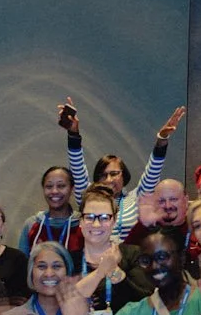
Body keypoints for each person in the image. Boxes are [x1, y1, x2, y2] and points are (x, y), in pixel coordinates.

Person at [61, 98, 183, 235]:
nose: (108, 180)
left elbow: (153, 171)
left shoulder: (137, 198)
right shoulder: (89, 197)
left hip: (130, 249)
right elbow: (77, 167)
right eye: (103, 175)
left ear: (124, 175)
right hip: (95, 248)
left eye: (114, 174)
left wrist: (162, 139)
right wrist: (73, 134)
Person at [67, 187, 142, 315]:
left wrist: (114, 270)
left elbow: (142, 301)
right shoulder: (67, 260)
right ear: (81, 221)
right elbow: (66, 301)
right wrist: (101, 271)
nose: (96, 224)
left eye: (104, 218)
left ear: (114, 220)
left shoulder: (132, 254)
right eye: (89, 217)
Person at [18, 166, 83, 266]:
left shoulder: (82, 224)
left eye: (61, 186)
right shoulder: (31, 224)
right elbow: (22, 267)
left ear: (72, 189)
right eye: (49, 186)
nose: (54, 191)